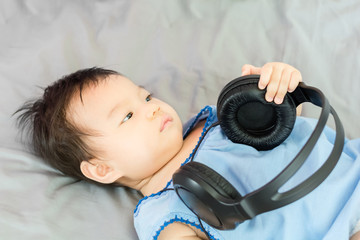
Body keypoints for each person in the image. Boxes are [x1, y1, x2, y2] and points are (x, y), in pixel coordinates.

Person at [16, 62, 360, 240]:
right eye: (128, 116)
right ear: (102, 169)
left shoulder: (217, 120)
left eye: (146, 96)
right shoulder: (161, 211)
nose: (151, 108)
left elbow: (285, 122)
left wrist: (279, 87)